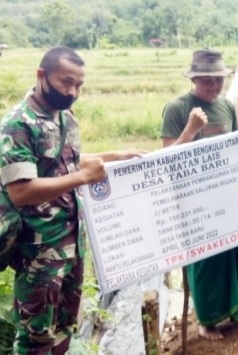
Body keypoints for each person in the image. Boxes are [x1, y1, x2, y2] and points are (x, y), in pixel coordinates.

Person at [0, 46, 142, 354]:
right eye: (66, 82)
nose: (73, 91)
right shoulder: (18, 124)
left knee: (66, 327)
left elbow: (68, 162)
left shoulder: (64, 116)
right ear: (41, 76)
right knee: (35, 338)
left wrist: (116, 155)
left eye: (79, 85)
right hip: (39, 252)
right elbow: (21, 191)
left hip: (71, 245)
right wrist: (84, 178)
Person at [161, 49, 238, 339]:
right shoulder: (177, 108)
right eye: (207, 81)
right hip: (196, 199)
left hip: (229, 194)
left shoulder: (226, 107)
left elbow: (236, 147)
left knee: (237, 254)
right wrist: (191, 130)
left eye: (219, 80)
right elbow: (165, 158)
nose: (214, 87)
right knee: (206, 262)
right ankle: (206, 321)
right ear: (194, 79)